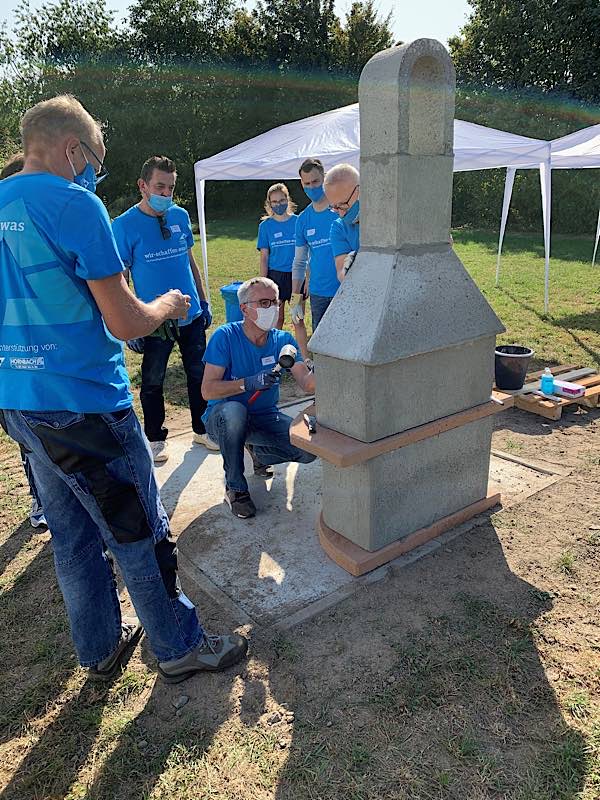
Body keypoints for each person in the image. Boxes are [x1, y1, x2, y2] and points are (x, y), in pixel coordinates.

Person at [0, 94, 247, 683]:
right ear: (71, 149)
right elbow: (125, 321)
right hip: (85, 402)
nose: (95, 172)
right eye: (95, 158)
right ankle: (179, 646)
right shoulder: (74, 203)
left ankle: (99, 646)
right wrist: (165, 304)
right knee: (140, 529)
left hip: (19, 398)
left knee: (71, 530)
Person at [112, 156, 217, 465]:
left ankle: (202, 428)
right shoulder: (124, 225)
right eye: (160, 186)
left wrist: (203, 299)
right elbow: (122, 276)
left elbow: (189, 260)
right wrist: (131, 320)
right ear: (142, 186)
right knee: (153, 379)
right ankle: (155, 438)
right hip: (154, 318)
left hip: (190, 313)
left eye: (171, 188)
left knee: (199, 372)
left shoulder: (180, 216)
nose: (166, 194)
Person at [201, 277, 316, 519]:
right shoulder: (225, 337)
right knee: (234, 412)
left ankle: (259, 453)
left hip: (264, 417)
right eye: (264, 302)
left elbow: (306, 384)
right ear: (244, 308)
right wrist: (248, 383)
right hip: (222, 419)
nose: (272, 308)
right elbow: (208, 390)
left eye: (274, 302)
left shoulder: (282, 341)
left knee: (309, 450)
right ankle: (235, 488)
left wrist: (333, 368)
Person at [0, 151, 47, 529]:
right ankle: (39, 499)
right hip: (14, 367)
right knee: (29, 442)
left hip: (47, 361)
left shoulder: (37, 234)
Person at [256, 183, 309, 361]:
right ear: (269, 204)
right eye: (274, 202)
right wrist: (263, 284)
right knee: (276, 319)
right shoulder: (265, 226)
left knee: (297, 319)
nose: (279, 204)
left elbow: (307, 253)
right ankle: (275, 356)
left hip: (296, 279)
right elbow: (264, 257)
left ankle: (304, 358)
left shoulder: (298, 221)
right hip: (275, 277)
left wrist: (307, 278)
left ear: (288, 200)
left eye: (282, 200)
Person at [291, 158, 339, 333]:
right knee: (321, 344)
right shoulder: (303, 219)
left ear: (324, 178)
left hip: (344, 289)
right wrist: (295, 299)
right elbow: (299, 262)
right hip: (318, 292)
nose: (312, 187)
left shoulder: (340, 209)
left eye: (316, 181)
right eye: (307, 183)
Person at [324, 163, 360, 282]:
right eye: (334, 207)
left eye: (343, 205)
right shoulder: (339, 227)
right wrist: (346, 270)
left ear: (359, 191)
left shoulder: (385, 217)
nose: (341, 214)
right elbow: (340, 273)